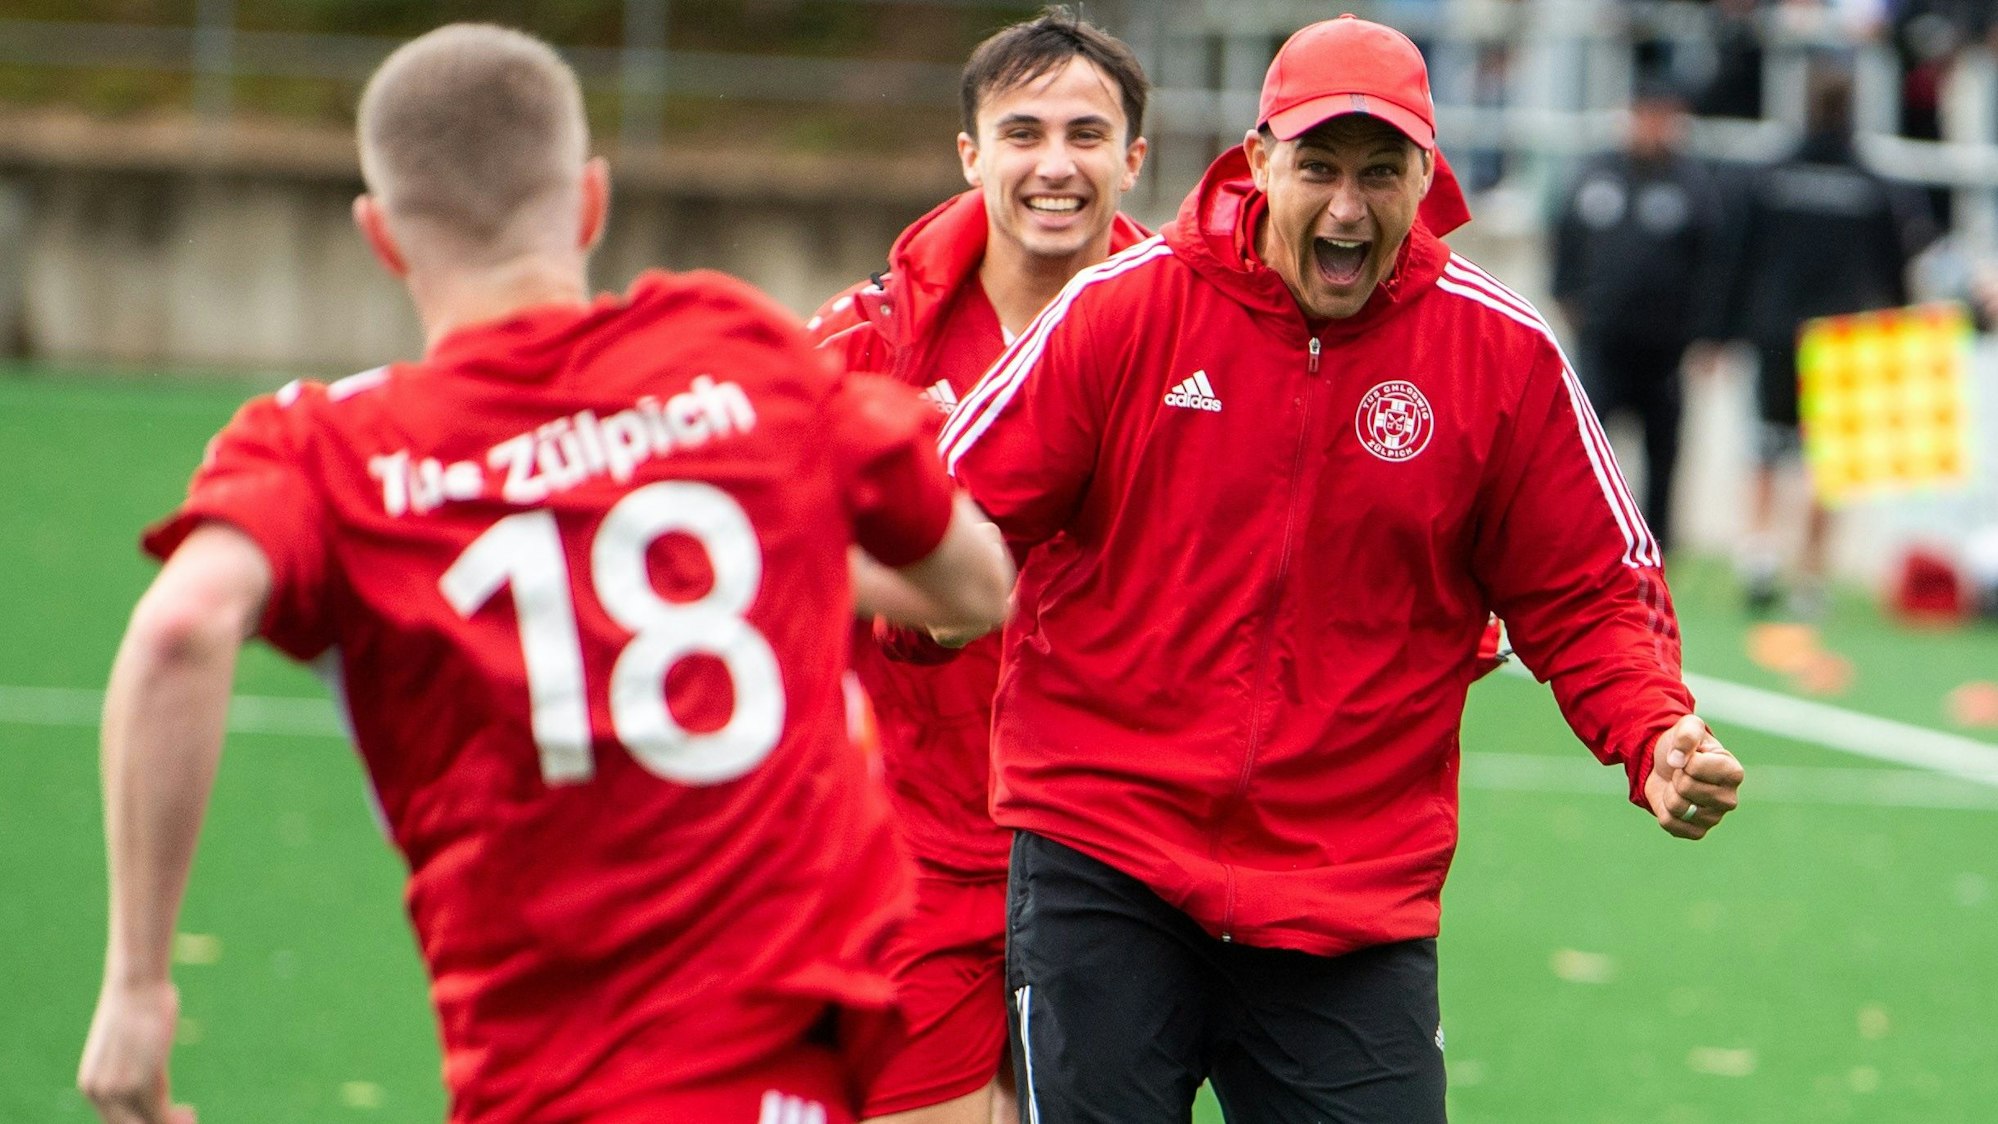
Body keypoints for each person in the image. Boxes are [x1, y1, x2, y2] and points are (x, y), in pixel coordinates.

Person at [75, 23, 1013, 1124]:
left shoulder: (331, 451)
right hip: (781, 1080)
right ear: (589, 202)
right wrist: (783, 552)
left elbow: (179, 629)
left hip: (542, 1085)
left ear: (380, 237)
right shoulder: (735, 353)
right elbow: (975, 578)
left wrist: (138, 981)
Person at [936, 15, 1747, 1121]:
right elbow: (956, 505)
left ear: (1430, 172)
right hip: (1106, 854)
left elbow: (1590, 587)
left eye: (1382, 171)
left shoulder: (1499, 353)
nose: (1349, 206)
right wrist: (917, 602)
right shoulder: (1126, 310)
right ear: (1262, 159)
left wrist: (1653, 728)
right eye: (1319, 165)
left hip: (1349, 890)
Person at [804, 11, 1150, 1124]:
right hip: (916, 856)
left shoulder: (1199, 335)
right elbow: (749, 532)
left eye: (1088, 135)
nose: (1056, 164)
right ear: (972, 153)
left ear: (1134, 159)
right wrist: (932, 586)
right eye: (1024, 132)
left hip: (1129, 860)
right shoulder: (864, 344)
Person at [1720, 67, 1932, 615]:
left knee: (1767, 444)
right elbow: (1896, 268)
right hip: (1840, 339)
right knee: (1827, 461)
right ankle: (1809, 576)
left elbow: (1739, 256)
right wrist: (1898, 330)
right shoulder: (1872, 183)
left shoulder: (1772, 174)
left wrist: (1721, 329)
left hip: (1774, 329)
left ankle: (1760, 554)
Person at [1551, 77, 1727, 553]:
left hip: (1664, 348)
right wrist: (1565, 295)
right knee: (1584, 447)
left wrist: (1708, 334)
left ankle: (1657, 545)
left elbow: (1713, 262)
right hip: (1603, 340)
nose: (1654, 128)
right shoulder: (1596, 175)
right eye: (1646, 116)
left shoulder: (1694, 185)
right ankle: (1579, 538)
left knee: (1663, 451)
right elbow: (1564, 235)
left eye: (1664, 118)